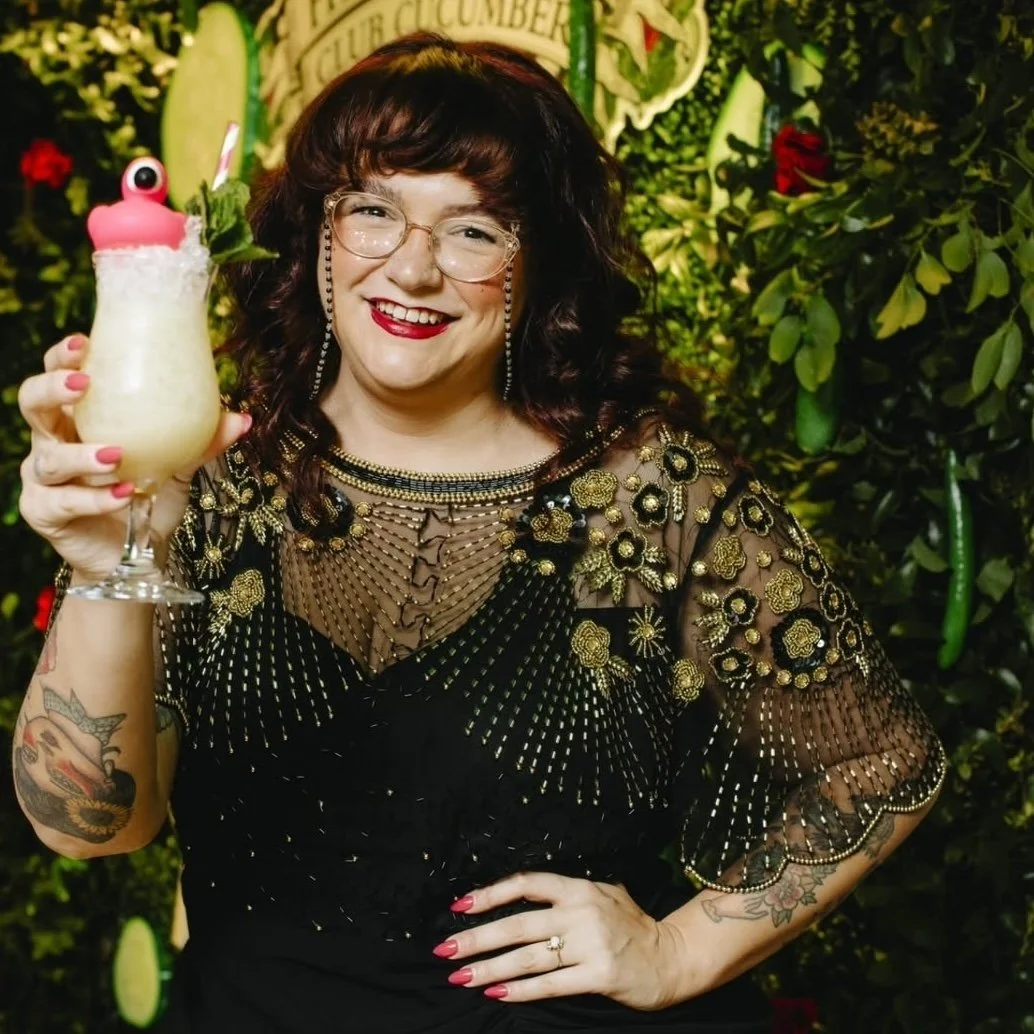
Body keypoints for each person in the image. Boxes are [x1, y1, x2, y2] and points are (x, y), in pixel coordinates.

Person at [14, 32, 946, 1034]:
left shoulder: (651, 494)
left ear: (539, 263)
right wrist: (106, 566)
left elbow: (883, 760)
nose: (412, 268)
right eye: (372, 210)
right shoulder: (203, 475)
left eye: (474, 229)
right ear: (316, 235)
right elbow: (91, 825)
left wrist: (680, 948)